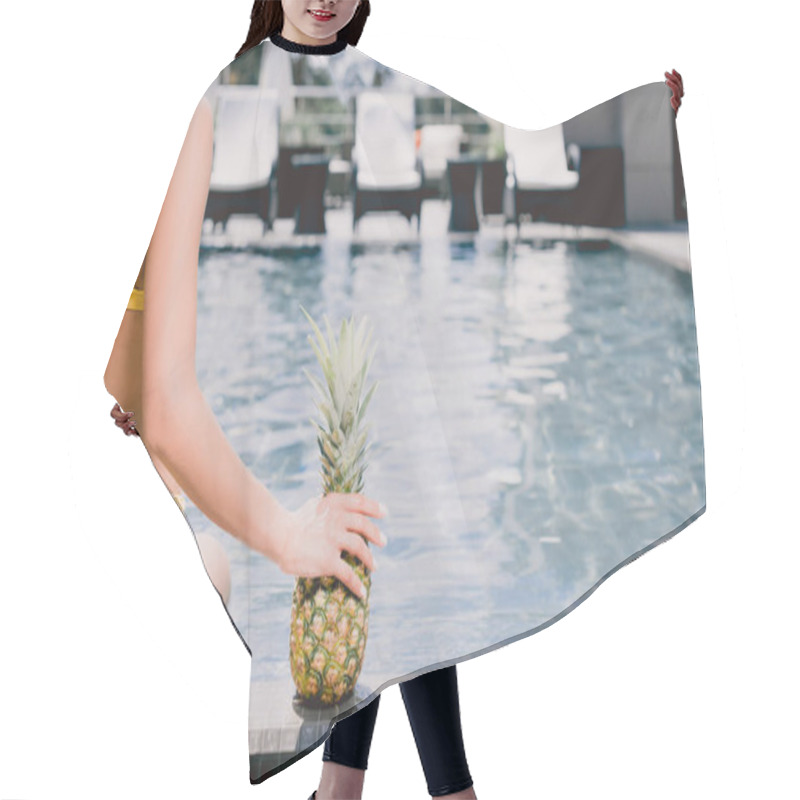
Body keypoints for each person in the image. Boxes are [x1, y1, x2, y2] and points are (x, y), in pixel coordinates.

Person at [107, 2, 685, 798]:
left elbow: (510, 170)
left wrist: (636, 126)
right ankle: (424, 791)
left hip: (385, 384)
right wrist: (143, 369)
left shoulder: (381, 88)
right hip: (282, 400)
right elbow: (183, 247)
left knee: (397, 571)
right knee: (374, 577)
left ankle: (353, 787)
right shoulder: (229, 95)